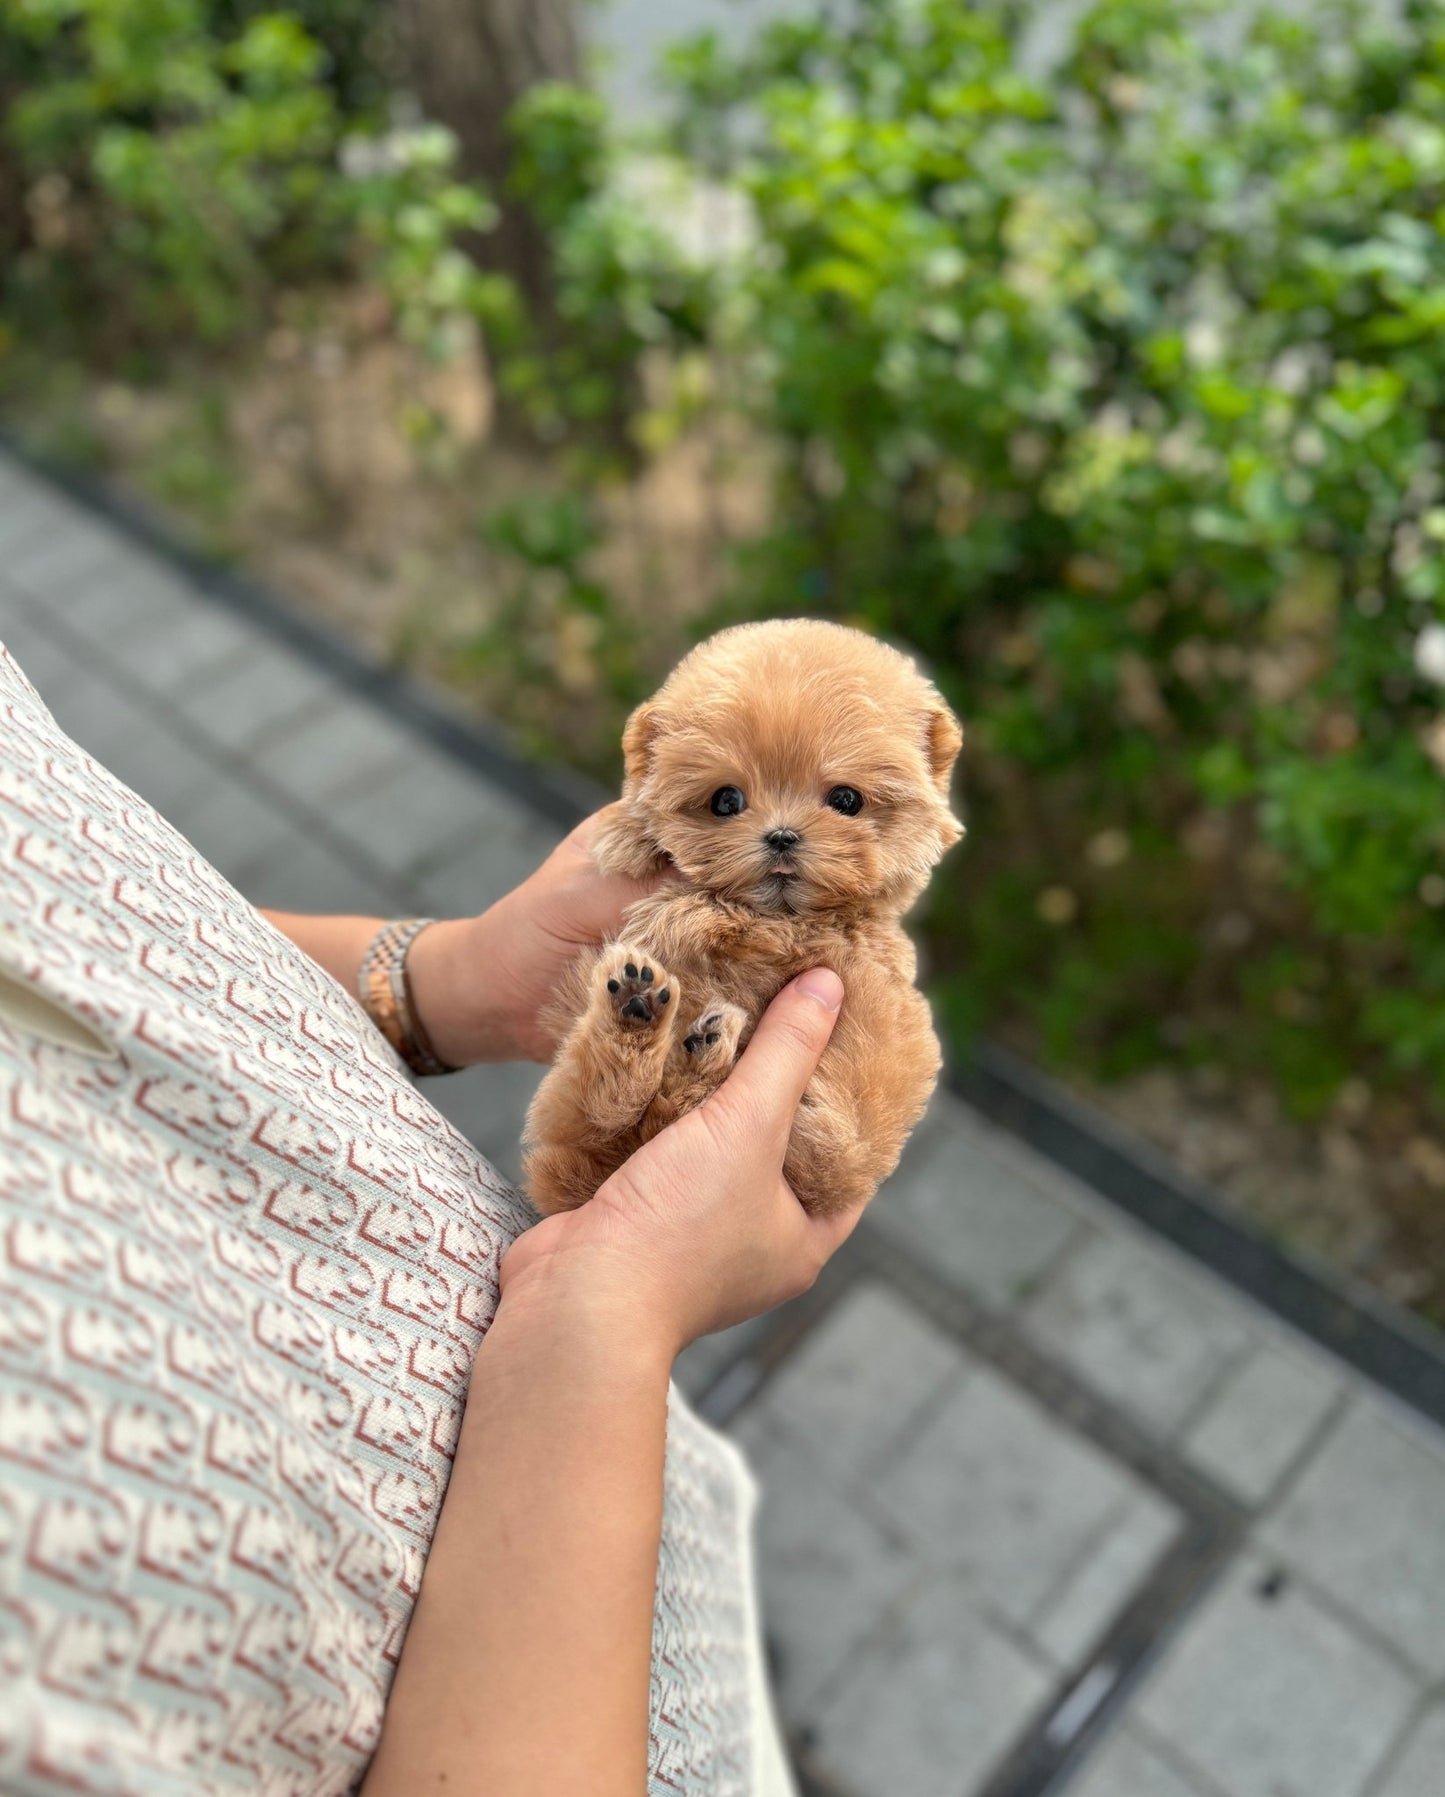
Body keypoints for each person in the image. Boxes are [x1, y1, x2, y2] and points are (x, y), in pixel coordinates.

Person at [0, 640, 859, 1796]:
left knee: (716, 1650)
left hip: (645, 1508)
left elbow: (82, 899)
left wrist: (445, 982)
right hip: (578, 1501)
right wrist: (602, 1312)